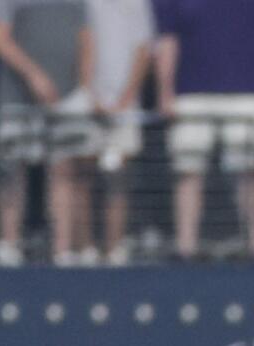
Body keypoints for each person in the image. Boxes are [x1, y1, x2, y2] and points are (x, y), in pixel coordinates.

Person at [155, 0, 254, 260]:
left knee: (250, 171)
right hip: (190, 95)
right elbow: (167, 40)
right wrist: (164, 91)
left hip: (245, 93)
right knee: (188, 171)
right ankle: (185, 247)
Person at [0, 0, 93, 266]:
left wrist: (84, 88)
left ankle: (63, 250)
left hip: (67, 97)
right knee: (13, 170)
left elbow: (86, 37)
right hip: (18, 98)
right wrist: (34, 75)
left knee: (65, 172)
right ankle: (9, 247)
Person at [86, 0, 155, 266]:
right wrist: (90, 95)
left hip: (124, 106)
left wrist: (126, 99)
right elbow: (80, 41)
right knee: (84, 175)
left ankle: (114, 248)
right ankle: (86, 248)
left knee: (117, 176)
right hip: (88, 104)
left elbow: (143, 47)